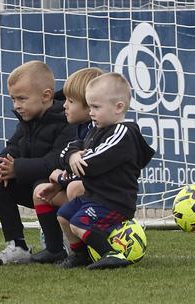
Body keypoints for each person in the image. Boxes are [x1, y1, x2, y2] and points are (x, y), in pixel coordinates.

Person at [55, 73, 155, 270]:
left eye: (96, 107)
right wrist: (72, 157)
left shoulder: (123, 133)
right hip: (94, 197)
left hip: (114, 202)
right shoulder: (96, 130)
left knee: (79, 223)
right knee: (63, 216)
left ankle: (112, 253)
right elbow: (68, 150)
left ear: (118, 107)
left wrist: (75, 161)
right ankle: (81, 255)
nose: (91, 112)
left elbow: (92, 162)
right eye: (90, 107)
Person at [0, 61, 75, 266]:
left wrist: (17, 168)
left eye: (22, 98)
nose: (16, 105)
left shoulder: (66, 120)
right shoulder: (27, 120)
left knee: (41, 185)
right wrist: (3, 166)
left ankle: (57, 246)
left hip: (59, 188)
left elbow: (55, 161)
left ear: (46, 96)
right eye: (13, 99)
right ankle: (18, 246)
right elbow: (13, 147)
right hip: (33, 183)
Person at [33, 67, 104, 214]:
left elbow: (89, 168)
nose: (64, 105)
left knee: (74, 188)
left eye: (70, 101)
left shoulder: (102, 131)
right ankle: (58, 232)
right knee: (40, 193)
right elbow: (66, 153)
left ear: (90, 105)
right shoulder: (81, 128)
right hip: (83, 185)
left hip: (107, 195)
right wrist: (69, 162)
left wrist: (61, 179)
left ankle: (111, 225)